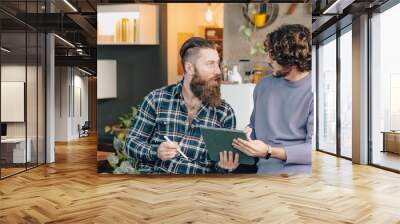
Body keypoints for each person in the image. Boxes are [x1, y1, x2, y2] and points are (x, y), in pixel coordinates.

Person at [125, 37, 240, 174]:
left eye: (218, 64)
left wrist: (225, 166)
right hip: (156, 186)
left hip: (198, 189)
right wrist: (155, 151)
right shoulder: (156, 99)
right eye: (210, 64)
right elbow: (131, 144)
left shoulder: (224, 113)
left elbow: (218, 170)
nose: (218, 71)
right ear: (189, 68)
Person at [232, 24, 314, 174]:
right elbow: (254, 129)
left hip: (300, 178)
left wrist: (269, 151)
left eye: (272, 54)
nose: (267, 59)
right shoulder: (263, 86)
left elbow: (312, 150)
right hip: (263, 174)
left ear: (290, 56)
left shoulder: (314, 91)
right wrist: (245, 139)